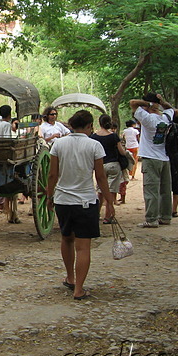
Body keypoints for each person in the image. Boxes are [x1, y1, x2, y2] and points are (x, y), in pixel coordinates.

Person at [46, 110, 112, 301]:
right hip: (85, 201)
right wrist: (109, 200)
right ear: (89, 126)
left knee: (67, 239)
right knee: (83, 247)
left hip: (63, 201)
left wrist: (50, 197)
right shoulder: (95, 146)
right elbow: (100, 177)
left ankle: (70, 277)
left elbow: (52, 175)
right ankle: (79, 289)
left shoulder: (59, 144)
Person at [130, 92, 175, 228]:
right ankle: (166, 216)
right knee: (165, 190)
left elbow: (132, 102)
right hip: (164, 158)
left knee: (151, 190)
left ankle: (151, 219)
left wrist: (149, 104)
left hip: (150, 158)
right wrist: (161, 102)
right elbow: (171, 109)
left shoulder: (147, 119)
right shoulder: (166, 119)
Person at [90, 114, 125, 224]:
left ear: (99, 123)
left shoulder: (94, 137)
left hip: (100, 165)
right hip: (113, 165)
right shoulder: (113, 136)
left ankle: (96, 214)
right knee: (112, 191)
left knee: (100, 192)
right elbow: (121, 151)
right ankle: (108, 216)